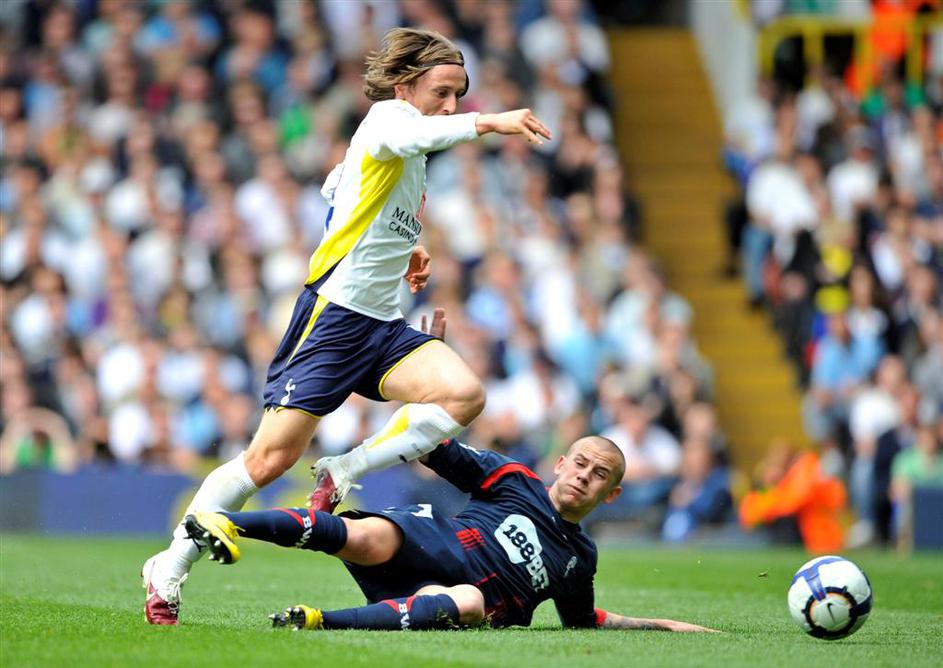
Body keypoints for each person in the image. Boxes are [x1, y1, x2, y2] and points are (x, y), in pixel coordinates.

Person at [142, 27, 553, 625]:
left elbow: (339, 185)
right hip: (333, 319)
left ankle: (346, 468)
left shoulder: (406, 150)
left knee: (464, 394)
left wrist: (408, 247)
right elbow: (405, 140)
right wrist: (490, 121)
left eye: (460, 96)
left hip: (382, 325)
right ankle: (169, 566)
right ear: (404, 86)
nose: (450, 106)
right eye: (440, 92)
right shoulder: (389, 118)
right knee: (267, 461)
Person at [184, 436, 716, 632]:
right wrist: (430, 388)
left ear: (611, 494)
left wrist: (663, 625)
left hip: (458, 596)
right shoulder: (514, 479)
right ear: (560, 463)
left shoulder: (580, 558)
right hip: (434, 542)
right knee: (367, 537)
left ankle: (319, 621)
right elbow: (437, 449)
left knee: (467, 602)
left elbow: (584, 621)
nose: (583, 476)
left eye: (599, 475)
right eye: (579, 463)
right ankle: (224, 522)